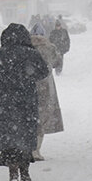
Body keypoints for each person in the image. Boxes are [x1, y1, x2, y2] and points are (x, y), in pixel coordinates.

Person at [0, 22, 49, 181]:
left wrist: (5, 75)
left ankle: (13, 172)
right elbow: (43, 72)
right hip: (26, 97)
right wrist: (27, 76)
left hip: (4, 99)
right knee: (26, 131)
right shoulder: (32, 53)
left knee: (9, 133)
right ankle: (25, 171)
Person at [28, 29, 65, 162]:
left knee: (30, 116)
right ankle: (37, 150)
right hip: (46, 85)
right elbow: (57, 62)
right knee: (42, 117)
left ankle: (30, 148)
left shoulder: (27, 47)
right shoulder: (50, 48)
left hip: (29, 85)